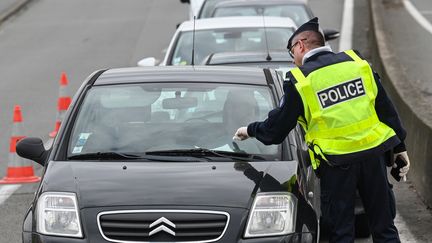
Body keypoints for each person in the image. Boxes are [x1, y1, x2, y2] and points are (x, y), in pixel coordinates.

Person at [233, 17, 410, 243]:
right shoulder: (356, 62)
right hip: (373, 158)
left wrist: (249, 130)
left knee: (341, 232)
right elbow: (385, 108)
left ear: (301, 45)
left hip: (337, 166)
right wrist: (400, 147)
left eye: (291, 53)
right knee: (385, 228)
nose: (293, 61)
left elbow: (275, 131)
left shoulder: (300, 80)